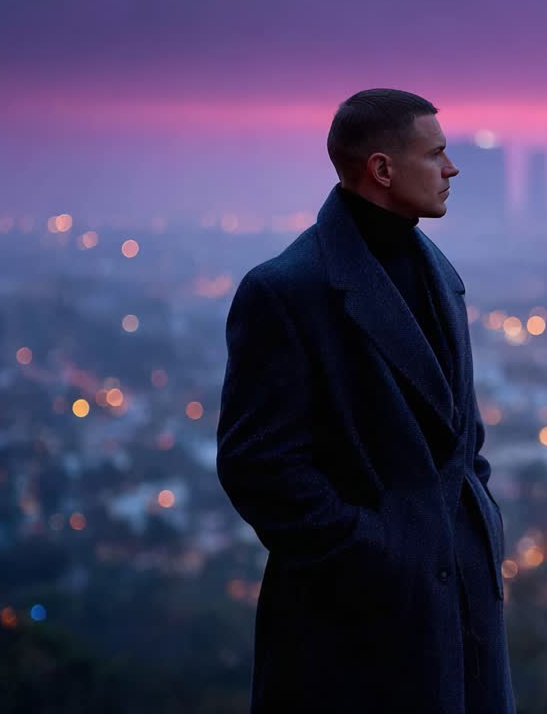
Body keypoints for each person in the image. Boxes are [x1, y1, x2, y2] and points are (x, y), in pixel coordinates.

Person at [216, 88, 514, 713]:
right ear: (382, 169)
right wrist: (378, 551)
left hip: (460, 609)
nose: (452, 169)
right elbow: (259, 469)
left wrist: (476, 525)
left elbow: (465, 441)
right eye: (436, 154)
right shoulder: (286, 290)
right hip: (355, 626)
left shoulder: (440, 274)